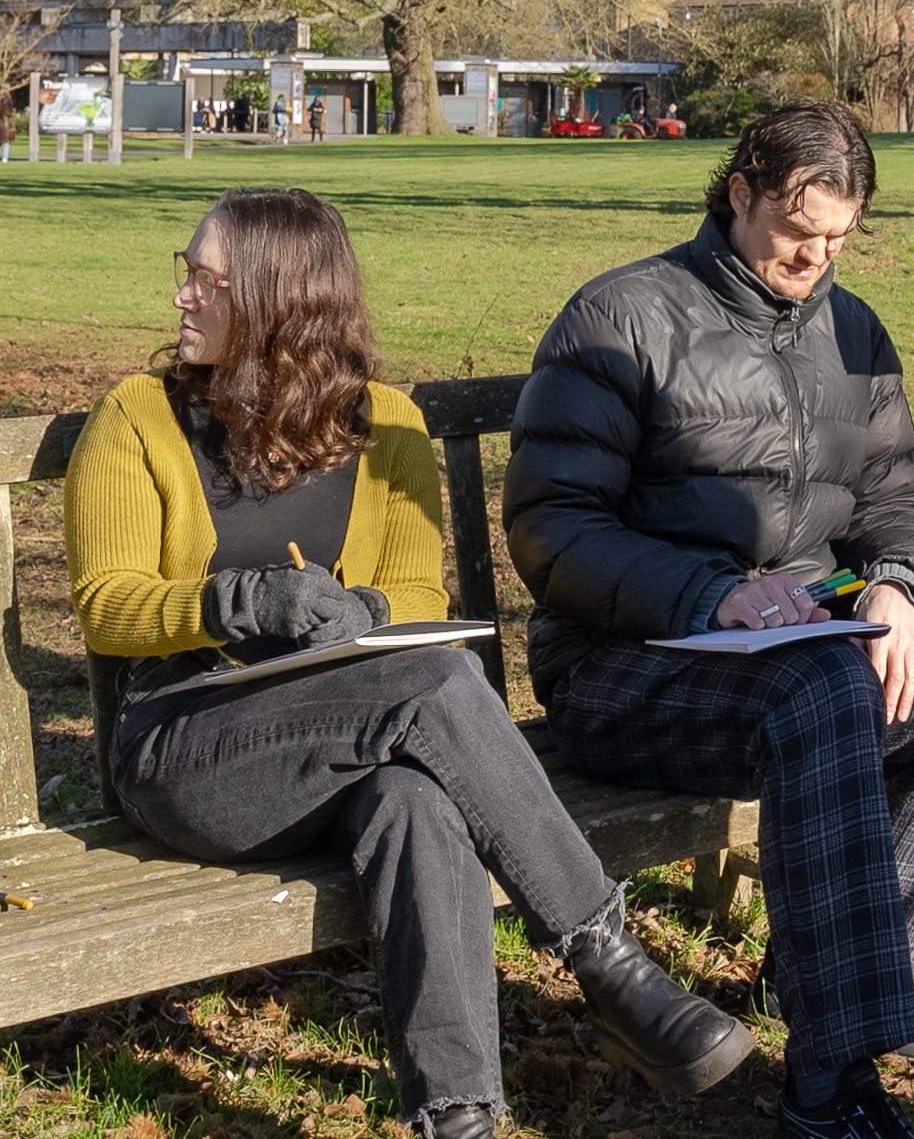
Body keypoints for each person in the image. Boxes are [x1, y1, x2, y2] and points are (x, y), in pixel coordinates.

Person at [64, 187, 753, 1139]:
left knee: (416, 801)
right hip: (187, 748)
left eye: (206, 281)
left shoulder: (385, 423)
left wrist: (371, 611)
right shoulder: (138, 418)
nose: (182, 295)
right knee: (434, 682)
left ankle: (457, 1117)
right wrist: (238, 602)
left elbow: (419, 594)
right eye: (187, 275)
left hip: (341, 748)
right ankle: (606, 960)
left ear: (276, 300)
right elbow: (106, 607)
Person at [504, 102, 914, 1139]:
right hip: (622, 668)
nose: (815, 260)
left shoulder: (852, 332)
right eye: (796, 234)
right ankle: (831, 1081)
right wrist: (707, 595)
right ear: (740, 194)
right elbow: (551, 529)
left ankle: (821, 980)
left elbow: (895, 499)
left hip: (806, 652)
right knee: (818, 693)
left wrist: (898, 583)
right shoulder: (621, 317)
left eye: (838, 241)